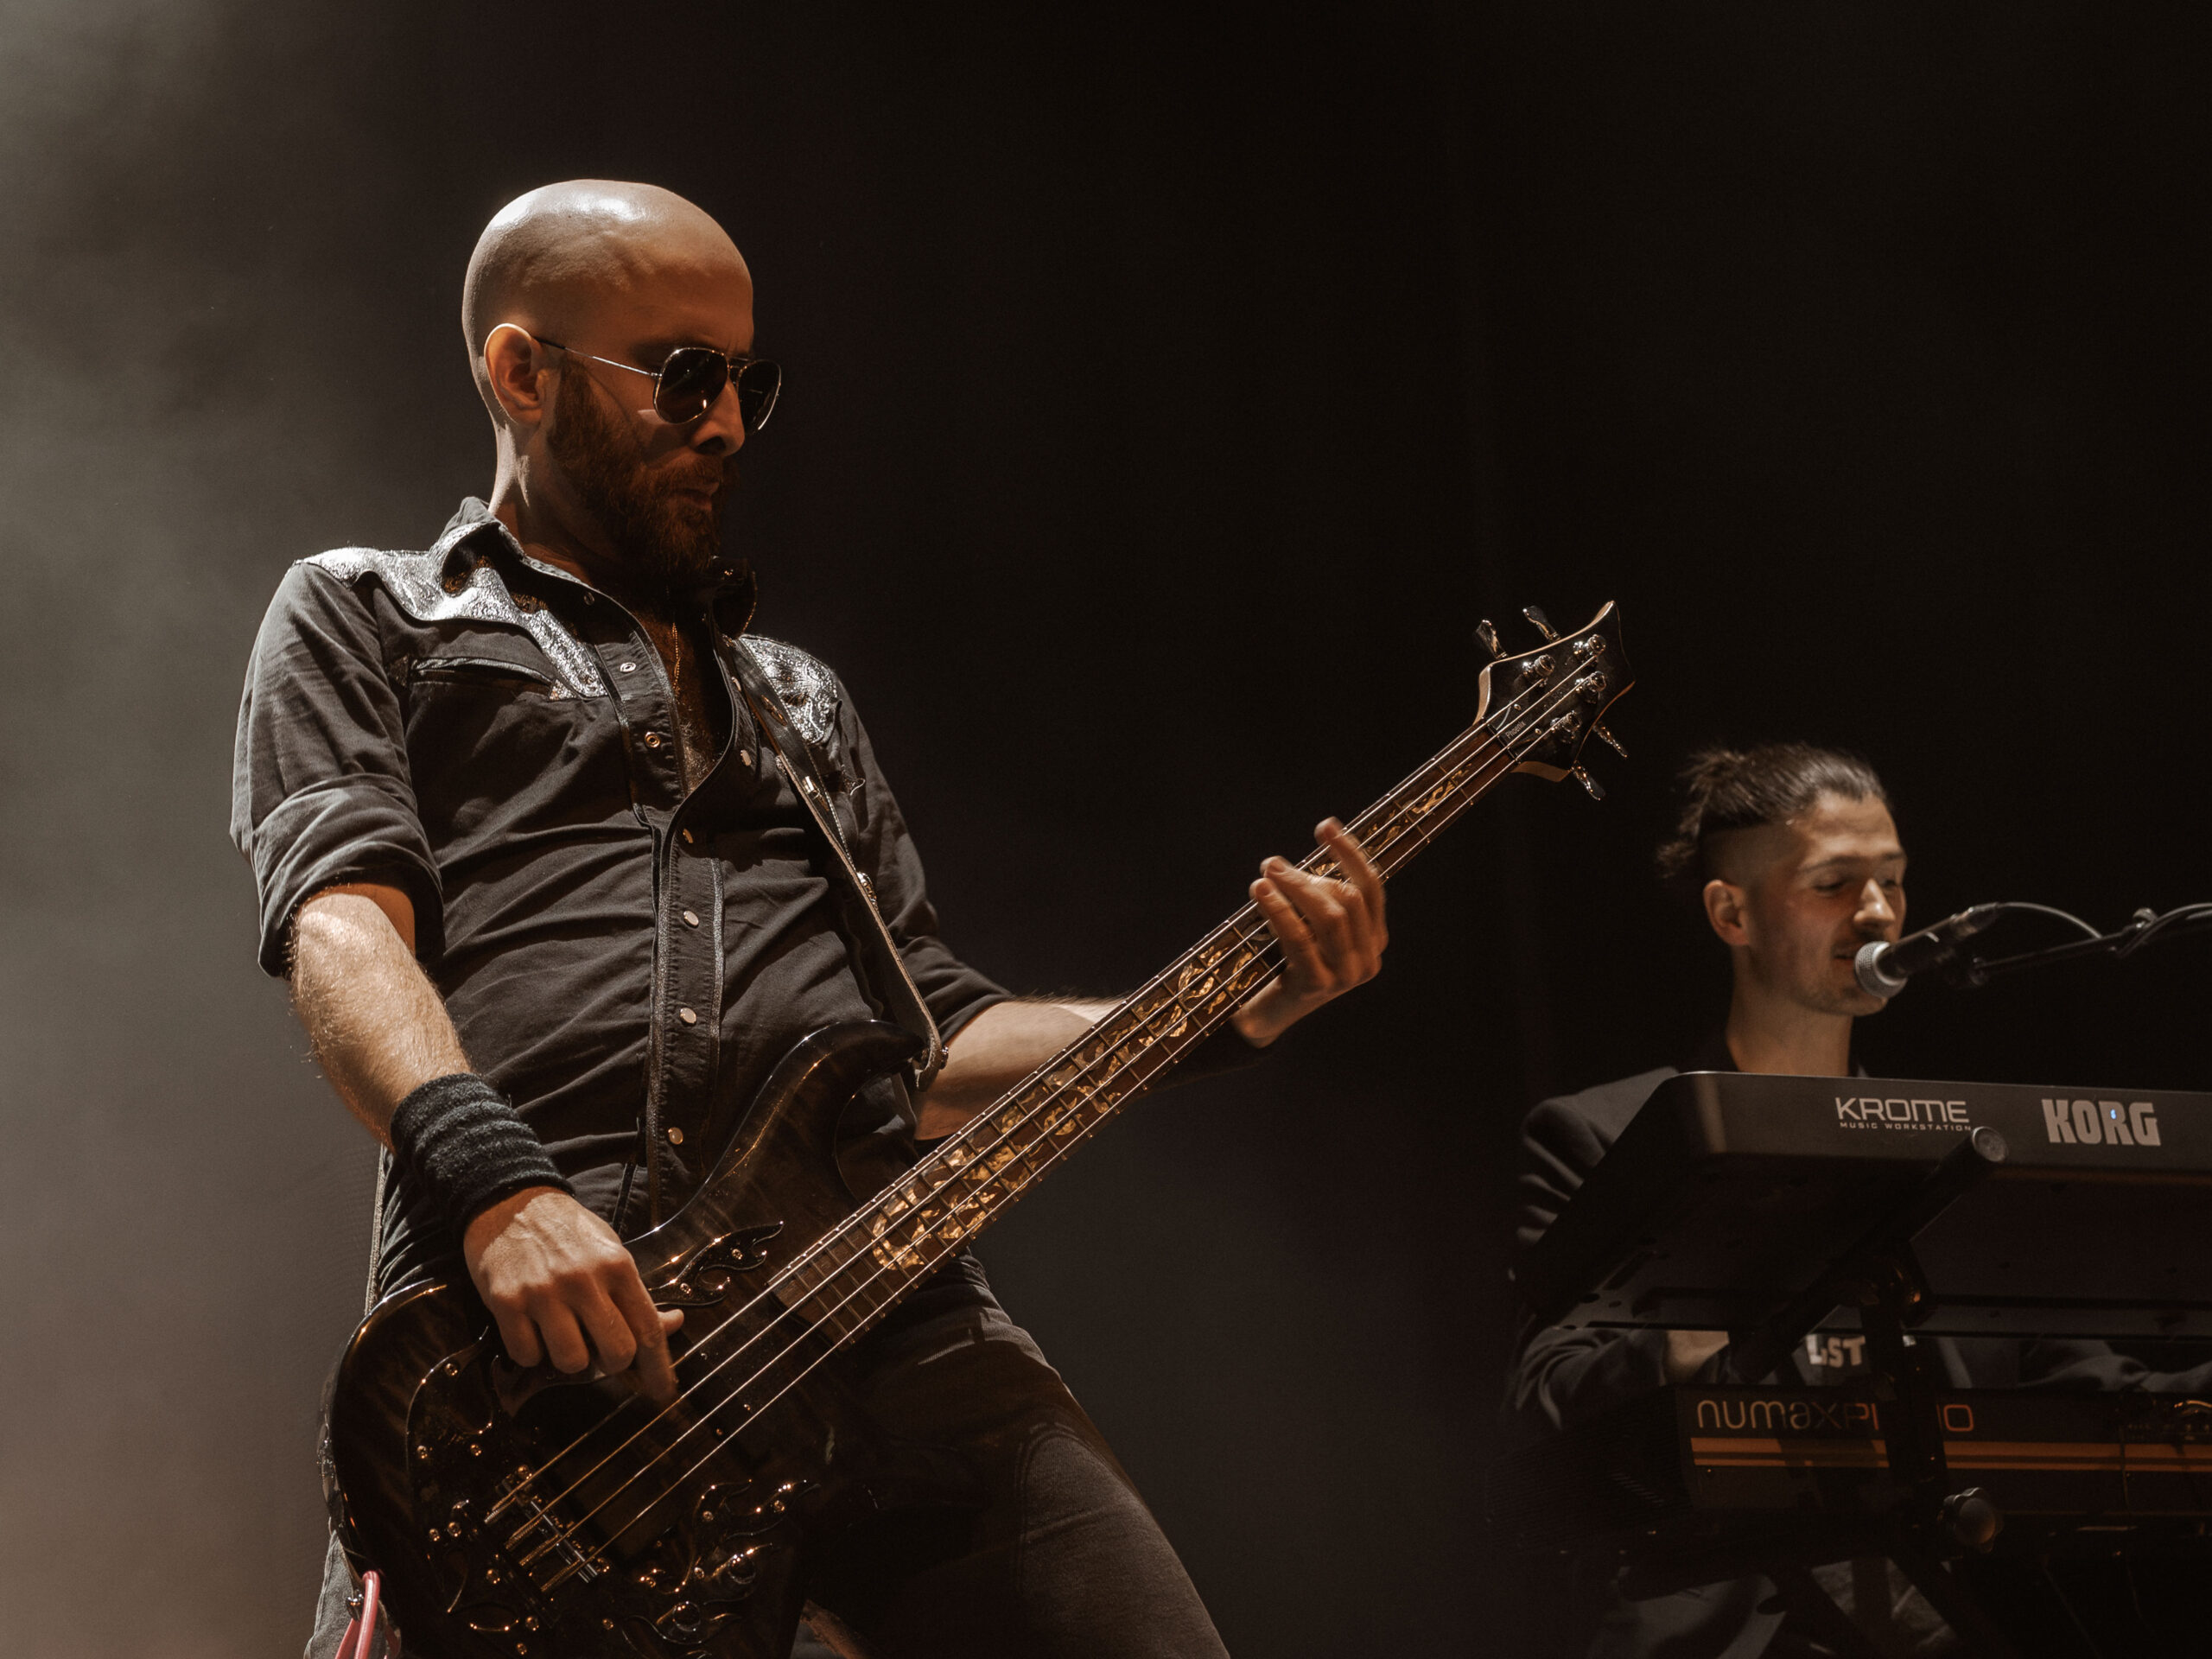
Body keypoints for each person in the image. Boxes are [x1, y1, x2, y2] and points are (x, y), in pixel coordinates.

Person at [231, 180, 1390, 1659]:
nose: (725, 424)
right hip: (547, 1340)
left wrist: (1218, 1012)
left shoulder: (797, 696)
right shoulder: (367, 611)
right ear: (522, 372)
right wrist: (498, 1188)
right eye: (684, 375)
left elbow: (935, 1048)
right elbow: (342, 931)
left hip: (880, 1302)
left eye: (746, 383)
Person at [1503, 742, 2211, 1658]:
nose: (1877, 912)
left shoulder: (1955, 1155)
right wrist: (1687, 1336)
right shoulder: (1609, 1135)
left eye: (1893, 882)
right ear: (1731, 912)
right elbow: (1544, 1398)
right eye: (1833, 884)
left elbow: (2084, 1393)